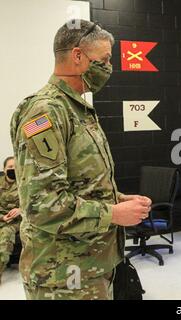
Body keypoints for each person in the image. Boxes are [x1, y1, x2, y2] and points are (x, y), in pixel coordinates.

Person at [10, 20, 151, 300]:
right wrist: (112, 214)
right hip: (62, 275)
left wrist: (116, 199)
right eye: (105, 59)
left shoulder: (78, 110)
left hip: (91, 265)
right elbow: (42, 204)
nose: (109, 67)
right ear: (77, 56)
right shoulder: (45, 113)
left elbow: (79, 184)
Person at [0, 157, 21, 284]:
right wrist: (2, 217)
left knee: (6, 233)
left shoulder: (24, 184)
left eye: (15, 167)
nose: (12, 170)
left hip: (16, 221)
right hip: (2, 218)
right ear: (4, 169)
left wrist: (20, 209)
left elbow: (33, 203)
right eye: (10, 167)